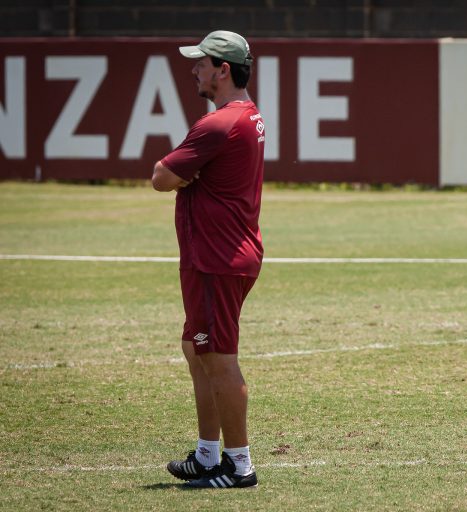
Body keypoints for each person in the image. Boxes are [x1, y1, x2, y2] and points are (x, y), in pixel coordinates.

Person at [151, 30, 265, 489]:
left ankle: (239, 467)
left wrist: (183, 176)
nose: (193, 69)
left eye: (201, 62)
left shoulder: (218, 123)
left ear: (223, 69)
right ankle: (207, 453)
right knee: (195, 349)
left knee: (218, 357)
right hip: (215, 253)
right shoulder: (246, 116)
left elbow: (161, 177)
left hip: (218, 257)